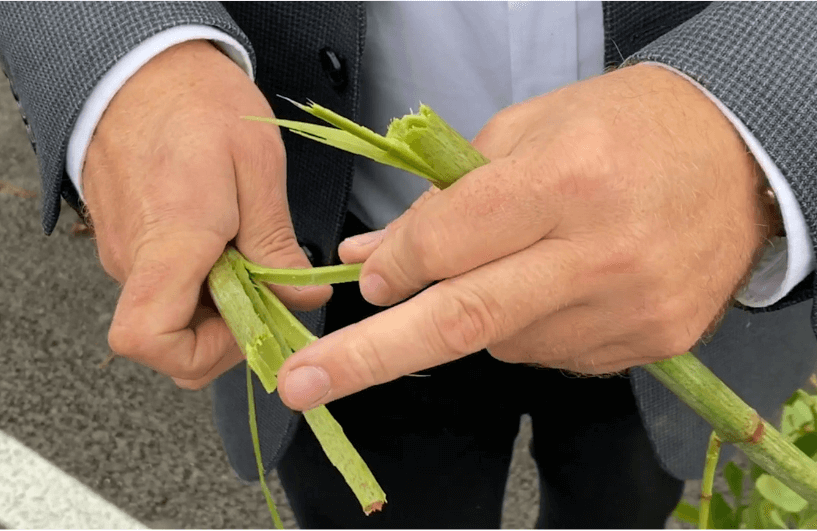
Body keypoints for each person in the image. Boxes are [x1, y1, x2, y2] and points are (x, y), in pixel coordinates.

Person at [2, 2, 817, 528]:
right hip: (326, 253)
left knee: (623, 507)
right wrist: (124, 50)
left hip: (682, 270)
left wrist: (762, 112)